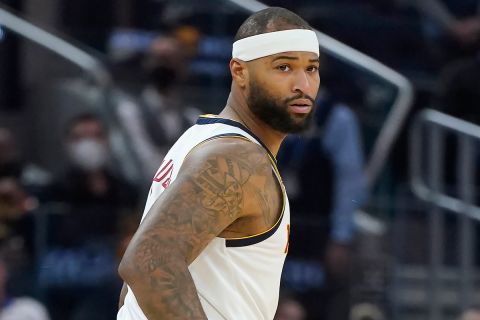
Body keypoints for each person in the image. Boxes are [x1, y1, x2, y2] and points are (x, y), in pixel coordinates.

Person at [117, 6, 321, 320]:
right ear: (240, 72)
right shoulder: (236, 158)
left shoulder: (200, 138)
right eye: (283, 67)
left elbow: (132, 292)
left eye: (311, 68)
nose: (302, 85)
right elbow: (148, 263)